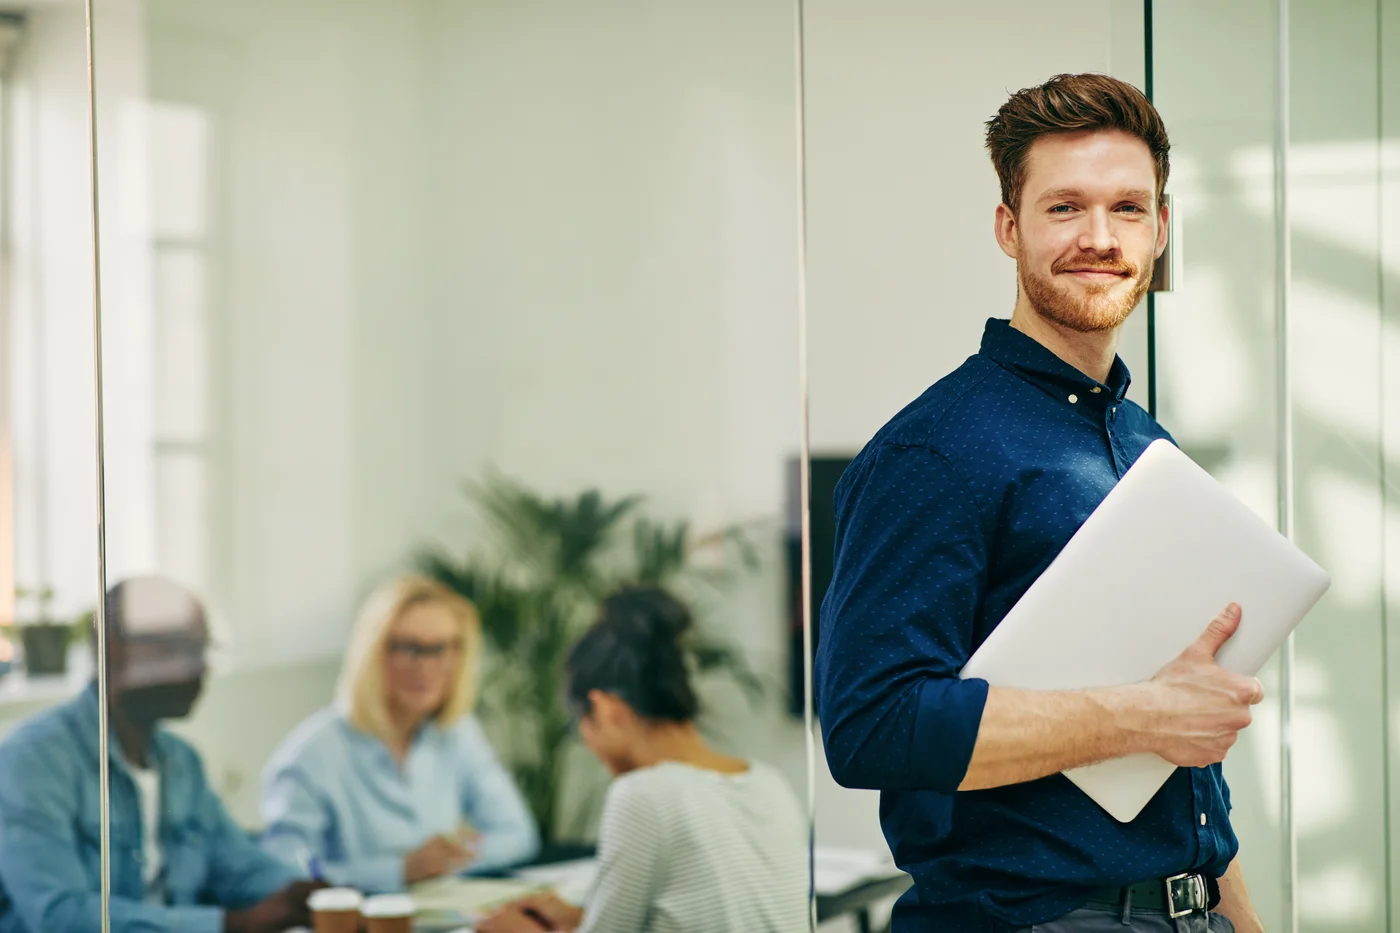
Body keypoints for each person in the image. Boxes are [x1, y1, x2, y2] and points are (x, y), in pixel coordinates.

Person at [815, 73, 1268, 933]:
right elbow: (870, 724)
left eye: (1129, 209)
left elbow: (1189, 764)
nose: (1100, 237)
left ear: (1162, 230)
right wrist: (1144, 713)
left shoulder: (1148, 447)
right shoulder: (935, 448)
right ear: (1008, 227)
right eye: (1065, 208)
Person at [0, 576, 320, 933]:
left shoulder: (181, 762)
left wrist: (317, 896)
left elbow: (241, 866)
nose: (199, 668)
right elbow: (60, 915)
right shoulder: (32, 763)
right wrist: (230, 924)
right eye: (179, 651)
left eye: (200, 650)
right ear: (114, 653)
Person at [478, 586, 807, 933]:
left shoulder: (644, 794)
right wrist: (582, 921)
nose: (588, 745)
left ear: (606, 710)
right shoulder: (770, 782)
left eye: (581, 726)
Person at [260, 576, 538, 893]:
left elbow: (518, 834)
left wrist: (446, 860)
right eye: (408, 648)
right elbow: (284, 874)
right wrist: (396, 870)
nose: (426, 666)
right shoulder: (311, 755)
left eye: (440, 648)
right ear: (372, 653)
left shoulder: (458, 733)